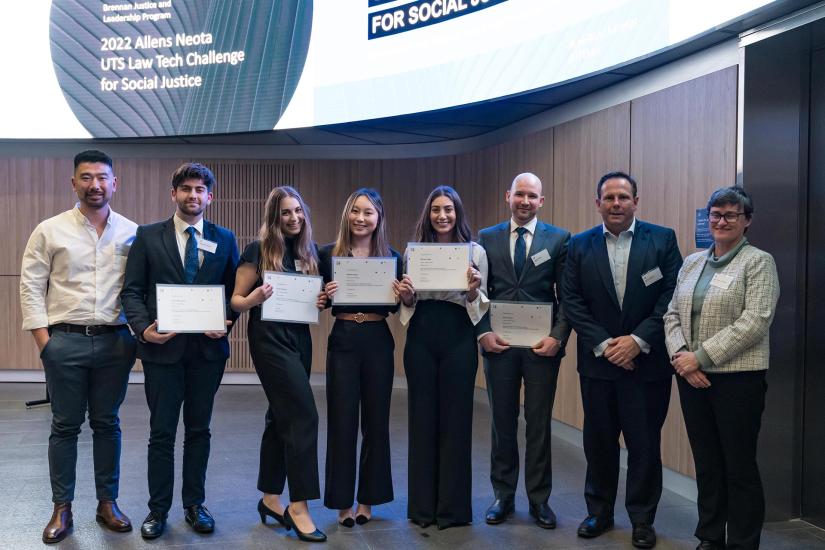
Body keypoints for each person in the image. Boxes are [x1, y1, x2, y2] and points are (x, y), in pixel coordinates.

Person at [20, 150, 138, 544]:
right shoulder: (49, 230)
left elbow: (139, 290)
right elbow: (31, 286)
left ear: (114, 183)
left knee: (108, 425)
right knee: (65, 426)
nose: (95, 185)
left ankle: (108, 504)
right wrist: (45, 344)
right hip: (64, 341)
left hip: (115, 342)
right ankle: (61, 507)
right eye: (86, 178)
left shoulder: (132, 232)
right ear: (74, 183)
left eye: (102, 177)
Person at [561, 171, 682, 549]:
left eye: (623, 197)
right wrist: (605, 345)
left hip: (647, 366)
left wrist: (638, 341)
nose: (616, 204)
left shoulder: (662, 240)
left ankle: (642, 519)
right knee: (599, 441)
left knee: (645, 443)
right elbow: (572, 301)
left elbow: (671, 295)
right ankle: (599, 511)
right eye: (609, 197)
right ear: (597, 203)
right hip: (598, 365)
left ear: (636, 201)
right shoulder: (578, 246)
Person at [120, 163, 239, 539]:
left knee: (199, 430)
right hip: (162, 351)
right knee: (161, 433)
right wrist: (143, 329)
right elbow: (132, 291)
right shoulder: (149, 235)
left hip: (207, 352)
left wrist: (227, 320)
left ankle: (194, 504)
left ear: (210, 196)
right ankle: (157, 510)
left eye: (200, 189)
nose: (193, 195)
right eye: (186, 188)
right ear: (173, 194)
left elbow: (233, 292)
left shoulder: (225, 238)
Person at [664, 186, 779, 550]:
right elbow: (671, 314)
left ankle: (743, 542)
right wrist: (682, 357)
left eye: (731, 215)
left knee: (739, 465)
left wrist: (700, 358)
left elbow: (755, 321)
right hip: (691, 378)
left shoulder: (758, 262)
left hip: (738, 381)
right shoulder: (692, 262)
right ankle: (710, 536)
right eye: (716, 214)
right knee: (708, 463)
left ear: (747, 221)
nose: (722, 221)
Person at [230, 186, 327, 543]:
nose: (294, 218)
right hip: (269, 341)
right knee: (304, 416)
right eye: (286, 212)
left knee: (280, 417)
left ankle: (270, 497)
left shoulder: (308, 253)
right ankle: (298, 506)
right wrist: (253, 297)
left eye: (299, 211)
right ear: (274, 217)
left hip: (299, 339)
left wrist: (319, 300)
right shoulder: (257, 251)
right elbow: (237, 300)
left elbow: (314, 299)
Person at [476, 172, 571, 529]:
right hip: (498, 347)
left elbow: (568, 297)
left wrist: (558, 337)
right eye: (520, 195)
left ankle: (539, 500)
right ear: (508, 196)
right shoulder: (486, 238)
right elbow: (477, 292)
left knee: (538, 424)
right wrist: (482, 333)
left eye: (532, 196)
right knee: (502, 422)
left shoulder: (560, 239)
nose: (525, 201)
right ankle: (502, 495)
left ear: (541, 201)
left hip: (540, 349)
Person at [396, 185, 487, 529]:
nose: (443, 215)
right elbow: (408, 304)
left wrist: (475, 290)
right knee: (421, 419)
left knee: (456, 420)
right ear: (428, 214)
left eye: (448, 209)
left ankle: (452, 510)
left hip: (459, 336)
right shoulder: (412, 252)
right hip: (421, 334)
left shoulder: (475, 252)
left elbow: (480, 307)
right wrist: (406, 297)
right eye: (436, 209)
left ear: (458, 212)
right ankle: (422, 508)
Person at [319, 188, 402, 527]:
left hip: (378, 339)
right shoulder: (328, 255)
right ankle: (342, 503)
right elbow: (317, 302)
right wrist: (323, 296)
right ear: (346, 215)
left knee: (376, 421)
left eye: (368, 212)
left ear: (378, 217)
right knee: (342, 421)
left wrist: (405, 296)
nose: (361, 218)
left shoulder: (392, 257)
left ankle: (368, 499)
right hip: (343, 339)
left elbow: (397, 306)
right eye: (355, 211)